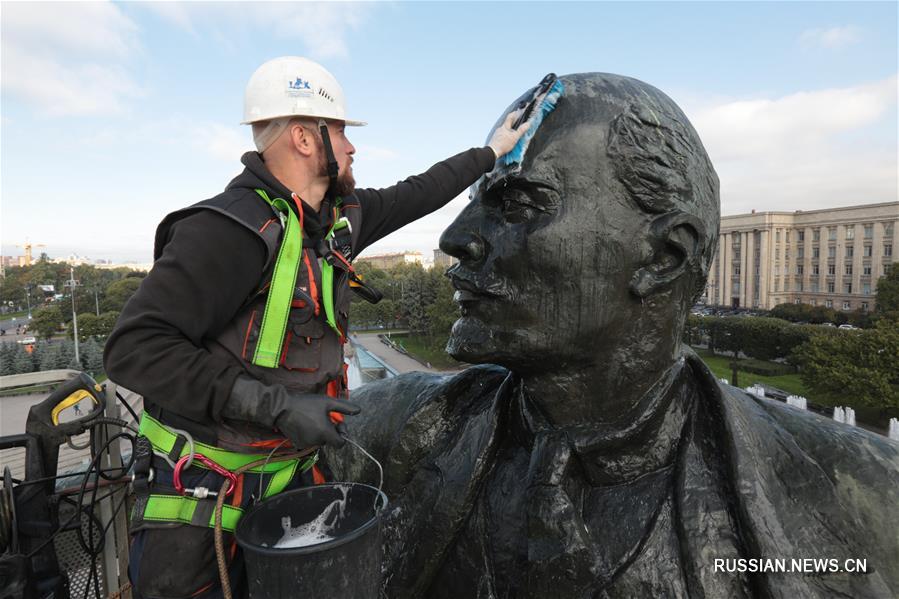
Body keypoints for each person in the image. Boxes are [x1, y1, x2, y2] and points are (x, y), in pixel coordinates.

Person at [330, 72, 899, 598]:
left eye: (520, 203)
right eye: (477, 202)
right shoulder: (375, 435)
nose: (456, 237)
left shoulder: (871, 499)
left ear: (665, 254)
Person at [103, 56, 531, 599]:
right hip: (202, 508)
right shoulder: (228, 230)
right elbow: (134, 349)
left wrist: (491, 151)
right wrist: (276, 408)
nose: (352, 147)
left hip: (288, 489)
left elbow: (421, 190)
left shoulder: (334, 221)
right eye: (341, 133)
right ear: (305, 138)